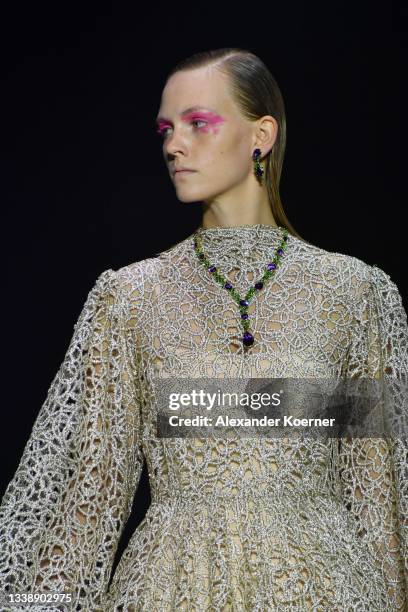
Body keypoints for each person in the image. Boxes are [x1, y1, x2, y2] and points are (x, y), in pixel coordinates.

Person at [0, 47, 407, 611]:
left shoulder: (352, 293)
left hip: (324, 590)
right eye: (166, 128)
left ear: (261, 135)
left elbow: (375, 495)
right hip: (170, 587)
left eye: (198, 123)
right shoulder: (130, 298)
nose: (173, 145)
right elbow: (88, 496)